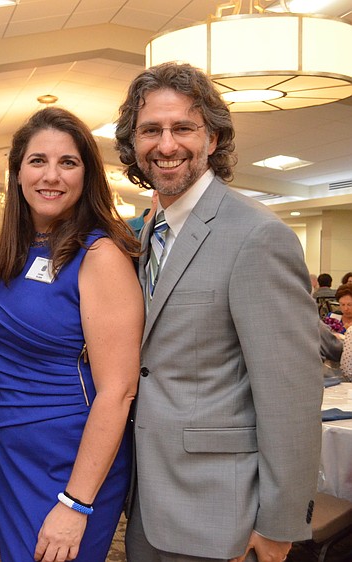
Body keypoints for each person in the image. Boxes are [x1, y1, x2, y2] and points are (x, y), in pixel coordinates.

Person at [114, 62, 322, 562]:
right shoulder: (148, 232)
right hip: (147, 499)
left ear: (212, 139)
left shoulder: (257, 235)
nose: (166, 145)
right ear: (133, 145)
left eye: (183, 128)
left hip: (225, 512)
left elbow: (290, 394)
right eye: (150, 131)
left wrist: (279, 523)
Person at [0, 107, 142, 562]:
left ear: (86, 175)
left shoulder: (100, 254)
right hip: (12, 451)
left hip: (70, 456)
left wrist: (76, 502)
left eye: (68, 162)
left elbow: (119, 390)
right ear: (16, 172)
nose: (51, 176)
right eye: (37, 161)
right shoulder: (15, 250)